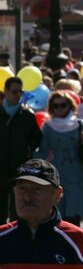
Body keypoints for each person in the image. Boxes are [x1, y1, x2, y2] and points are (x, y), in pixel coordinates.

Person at [34, 91, 83, 222]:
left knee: (74, 210)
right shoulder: (48, 126)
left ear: (70, 105)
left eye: (63, 105)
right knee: (58, 206)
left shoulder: (80, 124)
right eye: (56, 106)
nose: (59, 108)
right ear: (51, 108)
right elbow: (42, 149)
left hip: (77, 169)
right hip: (57, 169)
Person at [0, 76, 43, 222]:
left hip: (19, 170)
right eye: (14, 92)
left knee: (17, 212)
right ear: (5, 91)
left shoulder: (27, 116)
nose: (18, 95)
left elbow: (37, 137)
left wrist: (28, 149)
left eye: (20, 92)